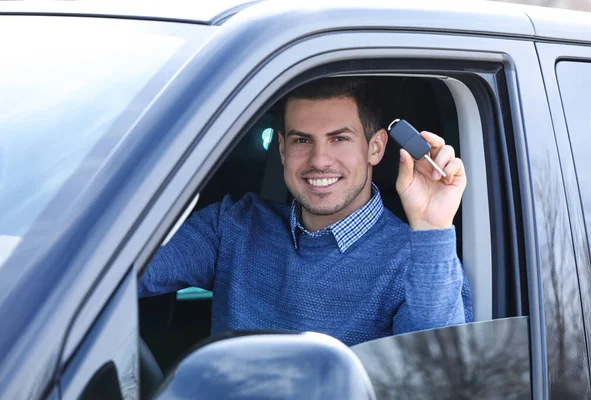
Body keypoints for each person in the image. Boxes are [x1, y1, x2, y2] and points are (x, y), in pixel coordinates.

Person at [139, 77, 472, 347]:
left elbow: (438, 369)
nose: (319, 160)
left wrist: (431, 227)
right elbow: (116, 272)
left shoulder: (420, 259)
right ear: (282, 149)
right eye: (302, 141)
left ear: (376, 147)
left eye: (339, 138)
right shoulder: (233, 226)